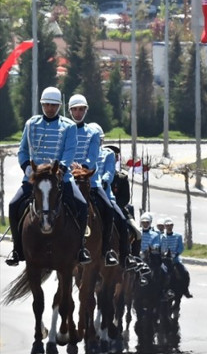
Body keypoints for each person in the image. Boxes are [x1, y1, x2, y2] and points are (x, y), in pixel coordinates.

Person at [6, 87, 90, 267]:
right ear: (42, 105)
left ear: (59, 106)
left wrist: (61, 170)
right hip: (34, 179)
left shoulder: (69, 126)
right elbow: (22, 151)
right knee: (13, 205)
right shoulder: (31, 124)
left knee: (82, 206)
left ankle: (81, 248)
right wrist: (27, 169)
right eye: (47, 105)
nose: (50, 108)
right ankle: (17, 249)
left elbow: (69, 151)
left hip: (60, 178)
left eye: (53, 105)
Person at [67, 95, 121, 267]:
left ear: (86, 110)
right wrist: (67, 165)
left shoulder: (93, 133)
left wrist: (82, 167)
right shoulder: (63, 129)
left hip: (89, 179)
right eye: (75, 109)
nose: (78, 112)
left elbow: (92, 156)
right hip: (66, 177)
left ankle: (106, 251)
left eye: (81, 109)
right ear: (69, 111)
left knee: (109, 209)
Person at [89, 123, 137, 268]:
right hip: (83, 190)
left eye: (98, 140)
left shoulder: (107, 154)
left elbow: (109, 172)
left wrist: (104, 181)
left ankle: (123, 256)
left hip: (102, 192)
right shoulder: (80, 151)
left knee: (121, 220)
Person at [159, 218, 192, 299]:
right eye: (167, 226)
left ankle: (185, 290)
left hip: (175, 260)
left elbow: (181, 247)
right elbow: (160, 246)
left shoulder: (178, 236)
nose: (169, 227)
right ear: (165, 227)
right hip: (164, 261)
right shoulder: (161, 237)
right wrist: (162, 253)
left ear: (172, 226)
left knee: (185, 272)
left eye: (170, 225)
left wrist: (176, 254)